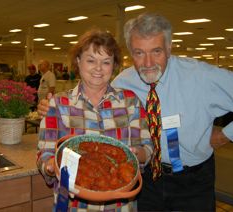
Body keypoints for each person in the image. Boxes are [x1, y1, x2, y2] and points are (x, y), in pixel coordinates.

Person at [110, 13, 233, 211]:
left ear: (169, 48)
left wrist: (228, 134)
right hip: (146, 179)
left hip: (193, 182)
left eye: (156, 51)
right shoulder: (124, 82)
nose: (148, 63)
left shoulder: (201, 76)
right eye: (139, 53)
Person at [36, 29, 152, 211]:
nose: (98, 68)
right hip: (72, 206)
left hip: (119, 206)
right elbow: (45, 153)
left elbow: (147, 147)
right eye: (91, 60)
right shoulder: (58, 104)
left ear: (114, 66)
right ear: (78, 61)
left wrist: (137, 154)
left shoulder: (130, 102)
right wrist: (50, 165)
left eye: (106, 62)